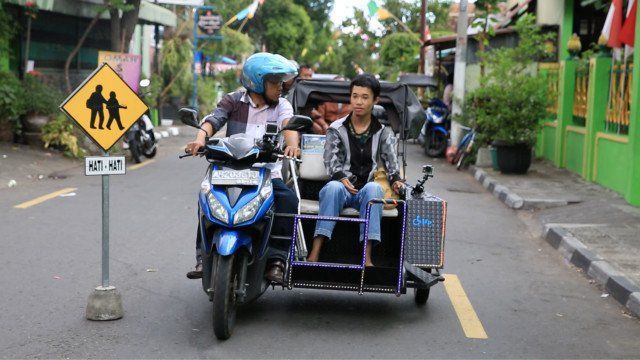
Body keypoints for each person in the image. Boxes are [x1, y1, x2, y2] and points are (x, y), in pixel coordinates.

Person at [184, 52, 300, 284]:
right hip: (229, 171)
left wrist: (292, 146)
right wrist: (199, 139)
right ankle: (202, 256)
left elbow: (289, 125)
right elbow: (213, 120)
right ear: (257, 81)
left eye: (281, 82)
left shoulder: (281, 106)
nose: (280, 87)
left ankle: (277, 260)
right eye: (275, 82)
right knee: (206, 198)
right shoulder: (233, 100)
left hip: (265, 173)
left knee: (288, 199)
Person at [306, 74, 404, 267]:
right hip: (340, 188)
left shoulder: (383, 132)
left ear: (375, 100)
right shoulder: (336, 128)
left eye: (365, 97)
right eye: (355, 96)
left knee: (375, 190)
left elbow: (392, 165)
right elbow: (330, 160)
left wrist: (396, 180)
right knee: (333, 187)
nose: (358, 102)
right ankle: (315, 251)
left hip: (366, 190)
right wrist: (341, 178)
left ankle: (366, 258)